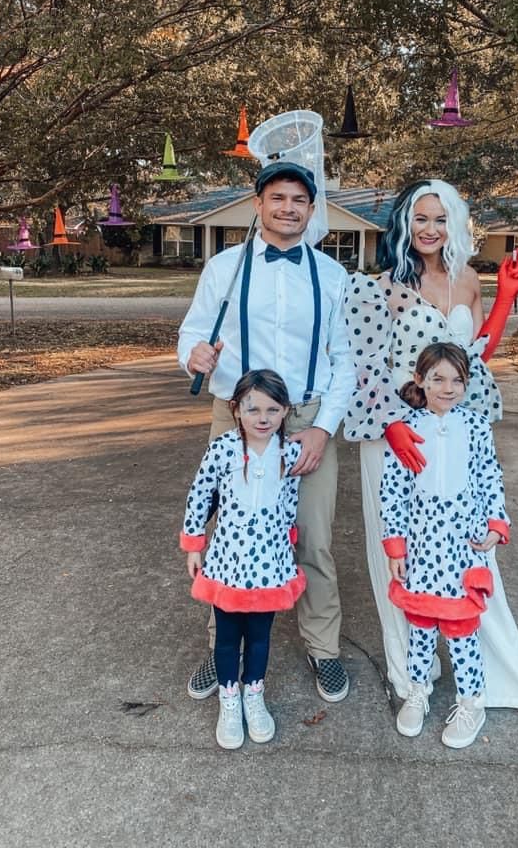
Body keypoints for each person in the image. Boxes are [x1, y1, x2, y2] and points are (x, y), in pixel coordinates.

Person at [344, 179, 518, 712]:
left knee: (467, 550)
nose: (429, 230)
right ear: (404, 224)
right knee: (398, 551)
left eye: (439, 219)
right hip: (394, 434)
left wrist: (504, 298)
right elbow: (365, 368)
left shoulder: (467, 280)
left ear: (453, 224)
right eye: (419, 218)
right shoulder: (381, 286)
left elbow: (476, 357)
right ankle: (413, 675)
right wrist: (390, 427)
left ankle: (484, 672)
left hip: (451, 431)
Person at [178, 161, 355, 704]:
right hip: (236, 416)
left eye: (299, 200)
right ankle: (221, 649)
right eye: (277, 197)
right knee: (231, 535)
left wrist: (323, 429)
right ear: (258, 204)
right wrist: (194, 355)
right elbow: (191, 330)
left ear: (311, 208)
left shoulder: (332, 275)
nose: (288, 208)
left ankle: (323, 648)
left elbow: (343, 359)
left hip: (305, 418)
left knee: (314, 541)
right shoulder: (225, 268)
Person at [381, 342, 517, 746]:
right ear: (420, 380)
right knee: (420, 625)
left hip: (463, 547)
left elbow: (489, 476)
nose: (448, 387)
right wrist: (396, 546)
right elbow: (393, 491)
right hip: (421, 548)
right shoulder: (406, 429)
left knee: (461, 628)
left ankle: (471, 701)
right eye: (438, 378)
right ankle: (417, 690)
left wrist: (496, 521)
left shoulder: (476, 427)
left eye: (457, 380)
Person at [181, 369, 303, 749]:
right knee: (228, 636)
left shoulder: (291, 452)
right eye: (253, 409)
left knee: (261, 636)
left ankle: (254, 693)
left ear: (285, 411)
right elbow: (199, 495)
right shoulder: (222, 449)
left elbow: (289, 502)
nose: (262, 417)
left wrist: (289, 538)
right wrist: (194, 544)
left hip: (270, 562)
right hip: (228, 562)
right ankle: (229, 698)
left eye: (272, 409)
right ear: (236, 410)